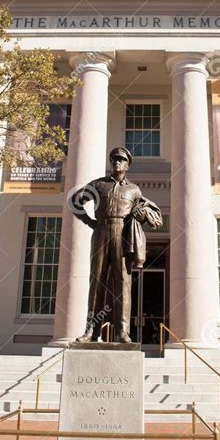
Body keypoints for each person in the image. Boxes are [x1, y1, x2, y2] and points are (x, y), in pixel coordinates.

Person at [70, 147, 162, 344]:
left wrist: (142, 214)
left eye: (121, 160)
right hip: (101, 231)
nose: (117, 163)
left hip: (123, 234)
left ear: (127, 165)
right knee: (96, 281)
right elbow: (75, 201)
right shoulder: (98, 185)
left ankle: (122, 331)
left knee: (123, 283)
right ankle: (91, 331)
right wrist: (90, 222)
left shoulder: (134, 190)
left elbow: (150, 215)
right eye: (114, 160)